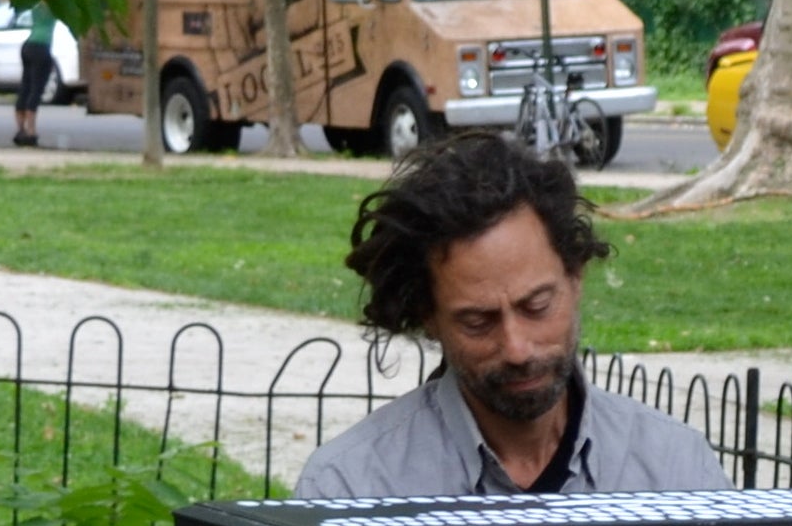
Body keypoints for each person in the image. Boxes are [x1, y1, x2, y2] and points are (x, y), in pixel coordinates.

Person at [299, 132, 728, 499]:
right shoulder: (352, 488)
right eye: (477, 321)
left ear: (576, 276)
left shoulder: (677, 472)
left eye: (537, 306)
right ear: (428, 316)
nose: (517, 348)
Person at [11, 0, 58, 149]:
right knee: (36, 89)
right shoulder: (54, 5)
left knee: (25, 86)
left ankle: (20, 130)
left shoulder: (36, 3)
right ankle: (31, 131)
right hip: (42, 47)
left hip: (28, 45)